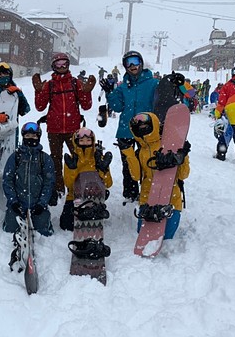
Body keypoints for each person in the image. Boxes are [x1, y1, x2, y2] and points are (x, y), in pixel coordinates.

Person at [32, 52, 95, 206]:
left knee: (78, 158)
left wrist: (87, 92)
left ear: (68, 65)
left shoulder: (75, 83)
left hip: (73, 129)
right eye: (58, 64)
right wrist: (39, 90)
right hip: (54, 129)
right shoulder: (50, 85)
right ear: (53, 66)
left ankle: (76, 186)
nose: (61, 67)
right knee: (55, 160)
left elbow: (86, 106)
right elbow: (40, 107)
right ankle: (58, 188)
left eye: (64, 64)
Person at [100, 50, 158, 202]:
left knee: (147, 161)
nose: (132, 66)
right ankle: (130, 193)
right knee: (128, 164)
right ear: (125, 66)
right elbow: (118, 107)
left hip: (146, 131)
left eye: (135, 61)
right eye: (128, 63)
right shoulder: (123, 86)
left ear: (141, 63)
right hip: (126, 130)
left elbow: (159, 103)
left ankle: (148, 190)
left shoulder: (153, 83)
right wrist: (110, 93)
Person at [126, 112, 190, 240]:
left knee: (166, 237)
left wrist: (183, 156)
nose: (143, 128)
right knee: (144, 235)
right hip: (147, 198)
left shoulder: (169, 145)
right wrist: (129, 153)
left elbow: (183, 174)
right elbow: (136, 176)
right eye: (139, 126)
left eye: (146, 124)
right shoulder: (141, 151)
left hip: (171, 199)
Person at [2, 122, 54, 236]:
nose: (31, 139)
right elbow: (7, 180)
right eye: (27, 136)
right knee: (10, 230)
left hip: (37, 205)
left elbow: (48, 183)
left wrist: (42, 203)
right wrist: (14, 202)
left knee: (43, 231)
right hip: (18, 204)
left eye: (34, 136)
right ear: (23, 137)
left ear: (39, 137)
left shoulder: (44, 158)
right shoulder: (16, 157)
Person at [60, 127, 113, 231]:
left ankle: (93, 211)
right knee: (67, 225)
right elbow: (69, 184)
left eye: (88, 140)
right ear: (76, 141)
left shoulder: (98, 158)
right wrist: (72, 169)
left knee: (88, 219)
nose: (85, 143)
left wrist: (103, 169)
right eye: (82, 140)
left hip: (94, 196)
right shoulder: (72, 158)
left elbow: (108, 183)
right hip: (75, 197)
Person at [0, 62, 31, 173]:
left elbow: (25, 110)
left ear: (10, 76)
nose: (3, 77)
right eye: (0, 75)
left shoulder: (16, 94)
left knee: (9, 168)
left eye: (5, 75)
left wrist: (20, 95)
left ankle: (7, 188)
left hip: (10, 138)